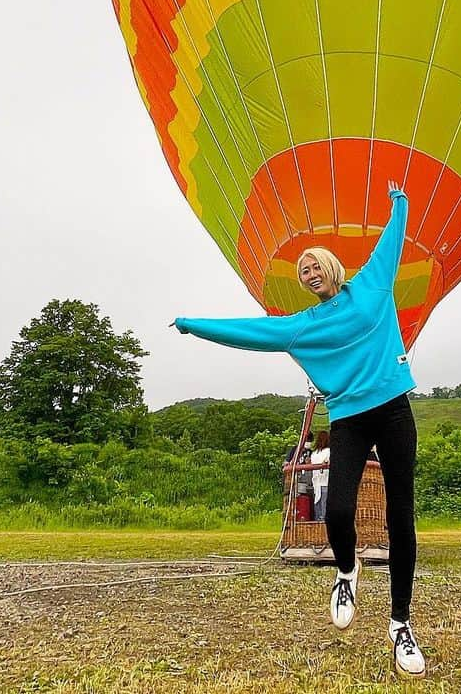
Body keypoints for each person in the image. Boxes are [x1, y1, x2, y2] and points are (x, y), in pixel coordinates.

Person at [174, 181, 426, 680]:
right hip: (348, 417)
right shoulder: (302, 325)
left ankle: (400, 625)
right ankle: (347, 572)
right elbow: (251, 331)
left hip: (394, 409)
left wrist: (399, 203)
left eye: (314, 265)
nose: (308, 273)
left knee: (402, 516)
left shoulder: (372, 287)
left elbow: (390, 244)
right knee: (338, 509)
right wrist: (193, 323)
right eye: (301, 270)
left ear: (331, 267)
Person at [310, 430, 330, 522]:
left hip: (316, 483)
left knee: (318, 509)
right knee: (324, 510)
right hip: (325, 482)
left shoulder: (314, 454)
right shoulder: (328, 451)